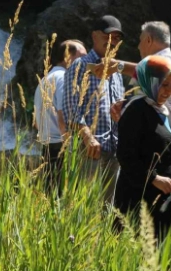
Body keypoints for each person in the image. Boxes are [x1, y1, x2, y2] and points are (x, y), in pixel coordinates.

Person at [114, 55, 171, 245]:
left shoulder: (163, 111)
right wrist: (153, 178)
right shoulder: (136, 110)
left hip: (164, 198)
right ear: (150, 82)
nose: (168, 91)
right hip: (140, 199)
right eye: (164, 85)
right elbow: (125, 156)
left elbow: (167, 153)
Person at [62, 15, 125, 203]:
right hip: (88, 151)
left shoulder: (116, 71)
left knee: (107, 209)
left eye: (116, 38)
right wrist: (88, 137)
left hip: (114, 150)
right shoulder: (80, 66)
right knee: (84, 206)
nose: (112, 41)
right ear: (94, 36)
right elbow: (70, 110)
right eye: (108, 36)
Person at [105, 21, 171, 159]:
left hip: (168, 149)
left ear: (148, 40)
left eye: (140, 41)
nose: (138, 47)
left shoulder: (168, 60)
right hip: (158, 146)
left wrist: (117, 66)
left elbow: (156, 72)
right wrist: (127, 105)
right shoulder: (162, 63)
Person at [34, 39, 87, 189]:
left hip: (47, 147)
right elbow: (64, 115)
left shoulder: (45, 80)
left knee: (50, 196)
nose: (86, 61)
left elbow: (36, 123)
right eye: (82, 56)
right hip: (62, 149)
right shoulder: (64, 78)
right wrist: (70, 150)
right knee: (64, 199)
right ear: (67, 57)